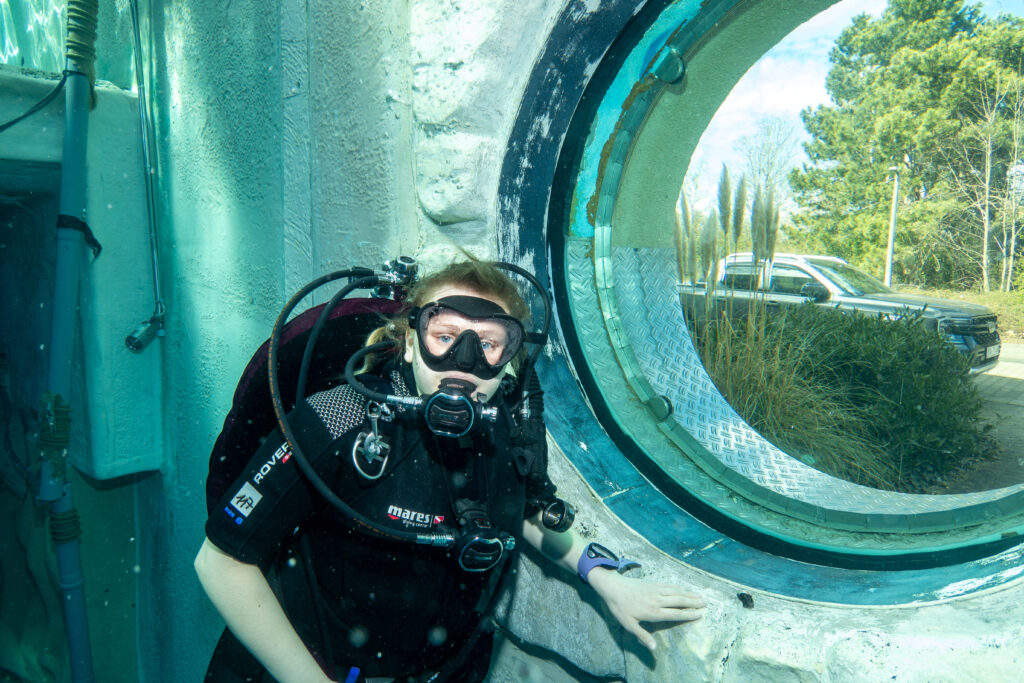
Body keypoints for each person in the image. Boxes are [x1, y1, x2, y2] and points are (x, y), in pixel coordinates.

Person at [195, 259, 706, 682]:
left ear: (511, 359)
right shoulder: (339, 419)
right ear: (412, 340)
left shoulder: (502, 429)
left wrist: (608, 578)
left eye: (487, 343)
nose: (465, 361)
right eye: (446, 336)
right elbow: (220, 561)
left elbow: (526, 508)